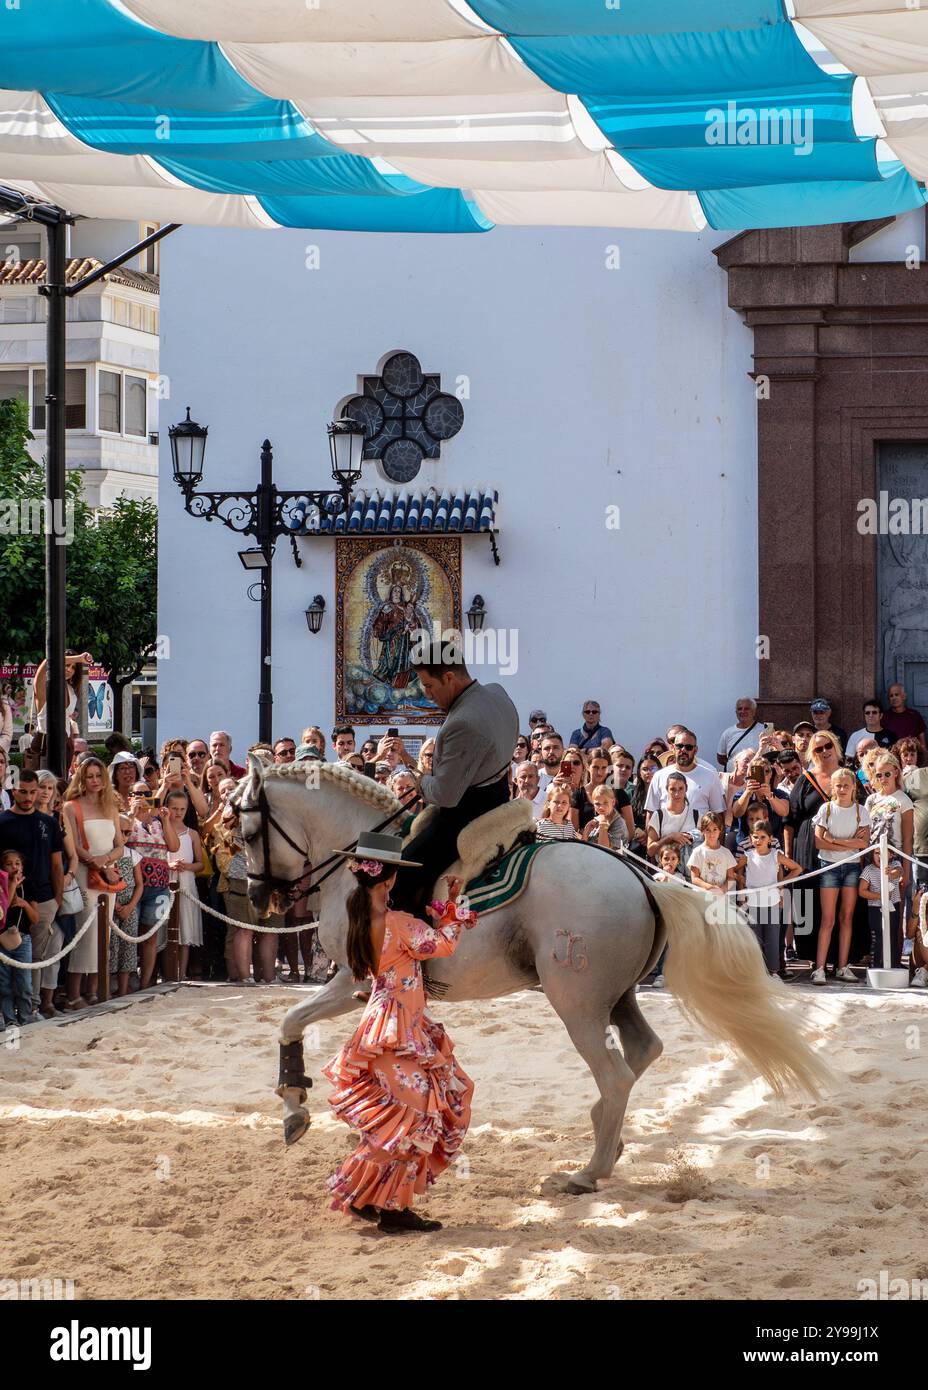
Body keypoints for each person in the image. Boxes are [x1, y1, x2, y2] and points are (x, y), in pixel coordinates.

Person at [323, 832, 476, 1233]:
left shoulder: (360, 917)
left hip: (383, 1024)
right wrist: (453, 910)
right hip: (401, 1027)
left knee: (399, 1116)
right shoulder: (399, 923)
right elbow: (443, 945)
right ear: (389, 879)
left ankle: (367, 1197)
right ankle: (390, 1208)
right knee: (412, 1117)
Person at [390, 647, 518, 916]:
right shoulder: (497, 692)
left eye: (429, 685)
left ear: (449, 677)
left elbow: (445, 795)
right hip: (500, 799)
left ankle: (411, 948)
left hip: (464, 817)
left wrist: (421, 780)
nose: (427, 694)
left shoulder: (462, 722)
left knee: (398, 877)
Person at [0, 767, 64, 1019]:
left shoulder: (48, 822)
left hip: (43, 899)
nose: (27, 797)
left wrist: (57, 900)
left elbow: (57, 864)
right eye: (22, 792)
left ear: (38, 791)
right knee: (6, 960)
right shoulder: (2, 822)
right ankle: (8, 1013)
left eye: (31, 792)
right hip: (7, 900)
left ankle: (32, 1008)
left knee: (36, 957)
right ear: (13, 790)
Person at [63, 756, 124, 1010]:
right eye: (90, 776)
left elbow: (120, 844)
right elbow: (73, 844)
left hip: (107, 875)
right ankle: (74, 994)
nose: (95, 781)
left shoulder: (111, 806)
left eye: (99, 775)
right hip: (85, 875)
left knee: (104, 934)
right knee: (85, 932)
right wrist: (97, 863)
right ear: (81, 778)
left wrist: (107, 862)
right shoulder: (71, 806)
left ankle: (94, 991)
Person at [811, 767, 870, 985]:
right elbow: (818, 841)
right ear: (832, 787)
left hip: (852, 867)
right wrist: (848, 842)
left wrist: (834, 840)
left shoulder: (861, 811)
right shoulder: (826, 809)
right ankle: (819, 968)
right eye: (838, 785)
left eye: (846, 785)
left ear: (854, 786)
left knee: (847, 917)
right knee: (828, 919)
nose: (843, 789)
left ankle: (843, 966)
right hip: (829, 866)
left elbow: (863, 843)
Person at [736, 820, 800, 976]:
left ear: (770, 839)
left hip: (772, 903)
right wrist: (743, 882)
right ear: (751, 838)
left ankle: (773, 972)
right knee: (755, 939)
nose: (758, 841)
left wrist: (780, 884)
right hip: (753, 903)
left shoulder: (775, 855)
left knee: (772, 939)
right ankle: (756, 972)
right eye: (755, 837)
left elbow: (797, 868)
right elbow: (732, 872)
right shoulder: (747, 856)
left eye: (763, 837)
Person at [164, 789, 203, 980]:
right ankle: (167, 972)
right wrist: (168, 865)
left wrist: (186, 866)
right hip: (166, 882)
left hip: (187, 884)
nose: (178, 812)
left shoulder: (192, 833)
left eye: (182, 809)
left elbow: (200, 864)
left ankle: (182, 972)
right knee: (166, 929)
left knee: (185, 929)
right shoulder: (161, 829)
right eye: (174, 808)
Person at [645, 729, 725, 819]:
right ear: (673, 748)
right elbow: (651, 813)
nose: (683, 750)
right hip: (666, 832)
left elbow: (718, 814)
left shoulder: (710, 775)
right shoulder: (659, 776)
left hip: (697, 832)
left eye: (688, 747)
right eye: (679, 746)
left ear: (695, 750)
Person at [0, 849, 38, 1027]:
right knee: (5, 983)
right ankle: (10, 1021)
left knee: (24, 984)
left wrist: (24, 904)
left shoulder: (29, 886)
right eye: (9, 864)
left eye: (17, 863)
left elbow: (35, 919)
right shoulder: (2, 886)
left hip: (23, 939)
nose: (14, 867)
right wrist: (12, 884)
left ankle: (26, 1019)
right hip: (3, 940)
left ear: (23, 866)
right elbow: (3, 908)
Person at [860, 846, 904, 970]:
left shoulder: (896, 864)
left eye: (884, 853)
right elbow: (862, 891)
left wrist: (892, 872)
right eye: (877, 853)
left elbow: (898, 872)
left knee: (893, 936)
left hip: (893, 907)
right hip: (875, 908)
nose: (879, 856)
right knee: (877, 937)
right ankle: (875, 966)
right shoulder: (868, 870)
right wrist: (880, 896)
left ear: (891, 855)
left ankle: (894, 965)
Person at [646, 771, 699, 867]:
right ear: (667, 790)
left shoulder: (696, 815)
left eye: (680, 788)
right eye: (673, 789)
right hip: (666, 871)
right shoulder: (659, 815)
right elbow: (650, 851)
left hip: (690, 873)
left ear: (686, 788)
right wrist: (670, 837)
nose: (677, 793)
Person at [687, 813, 737, 895]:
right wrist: (710, 888)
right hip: (701, 897)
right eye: (708, 830)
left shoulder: (726, 853)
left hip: (721, 898)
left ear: (720, 830)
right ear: (702, 831)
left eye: (715, 829)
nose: (711, 833)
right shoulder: (697, 852)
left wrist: (722, 890)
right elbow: (695, 878)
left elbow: (731, 878)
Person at [717, 697, 766, 771]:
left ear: (754, 711)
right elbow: (721, 758)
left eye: (746, 709)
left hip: (756, 777)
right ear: (736, 712)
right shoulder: (728, 733)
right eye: (740, 709)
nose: (742, 711)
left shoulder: (764, 730)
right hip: (733, 779)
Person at [580, 783, 629, 850]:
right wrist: (586, 831)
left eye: (605, 803)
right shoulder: (596, 821)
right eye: (597, 804)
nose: (601, 807)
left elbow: (605, 850)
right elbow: (583, 848)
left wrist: (603, 825)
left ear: (613, 802)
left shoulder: (619, 823)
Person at [883, 682, 927, 750]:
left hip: (911, 757)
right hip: (891, 757)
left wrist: (924, 757)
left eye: (896, 694)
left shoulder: (915, 715)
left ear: (904, 696)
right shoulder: (884, 717)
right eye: (891, 696)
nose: (894, 698)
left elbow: (922, 742)